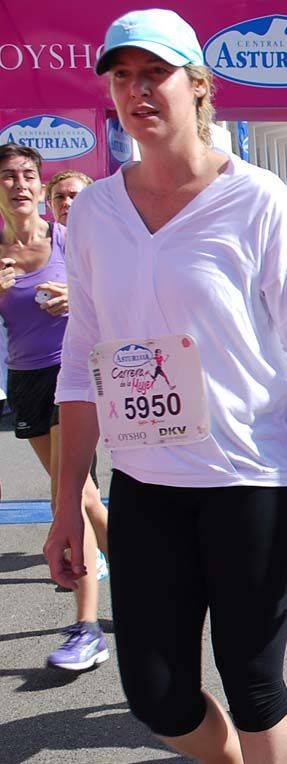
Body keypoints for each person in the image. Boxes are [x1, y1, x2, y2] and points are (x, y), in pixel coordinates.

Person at [44, 11, 287, 764]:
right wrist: (65, 508)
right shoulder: (93, 213)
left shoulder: (257, 201)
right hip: (147, 481)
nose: (138, 90)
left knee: (254, 680)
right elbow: (82, 361)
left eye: (156, 74)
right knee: (155, 692)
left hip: (256, 478)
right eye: (122, 77)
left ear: (199, 87)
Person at [0, 144, 110, 672]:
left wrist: (78, 296)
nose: (19, 184)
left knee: (67, 493)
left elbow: (113, 295)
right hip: (25, 380)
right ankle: (146, 581)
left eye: (27, 176)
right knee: (85, 497)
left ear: (40, 188)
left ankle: (87, 628)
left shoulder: (69, 238)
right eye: (8, 176)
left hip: (76, 374)